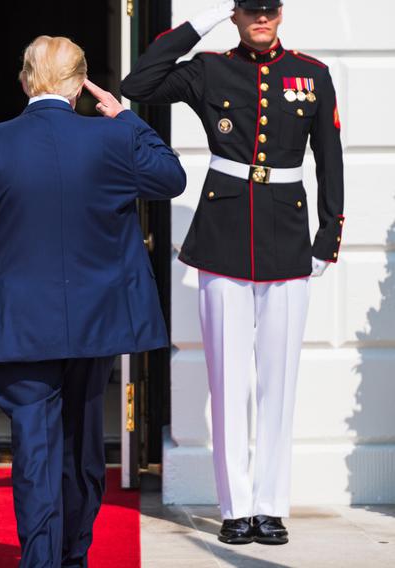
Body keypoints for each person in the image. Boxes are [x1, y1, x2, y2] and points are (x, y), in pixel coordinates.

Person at [0, 36, 186, 567]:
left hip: (21, 326)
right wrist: (127, 118)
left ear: (25, 80)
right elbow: (171, 177)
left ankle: (43, 560)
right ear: (79, 86)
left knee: (35, 451)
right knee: (82, 448)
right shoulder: (112, 139)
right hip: (94, 326)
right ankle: (73, 556)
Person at [121, 0, 344, 546]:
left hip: (289, 238)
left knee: (278, 383)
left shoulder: (312, 75)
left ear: (281, 14)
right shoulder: (210, 68)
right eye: (249, 10)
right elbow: (139, 83)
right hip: (223, 236)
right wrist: (201, 22)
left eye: (268, 9)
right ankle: (235, 506)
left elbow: (329, 157)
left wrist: (328, 233)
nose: (260, 18)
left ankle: (270, 506)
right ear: (238, 14)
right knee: (227, 382)